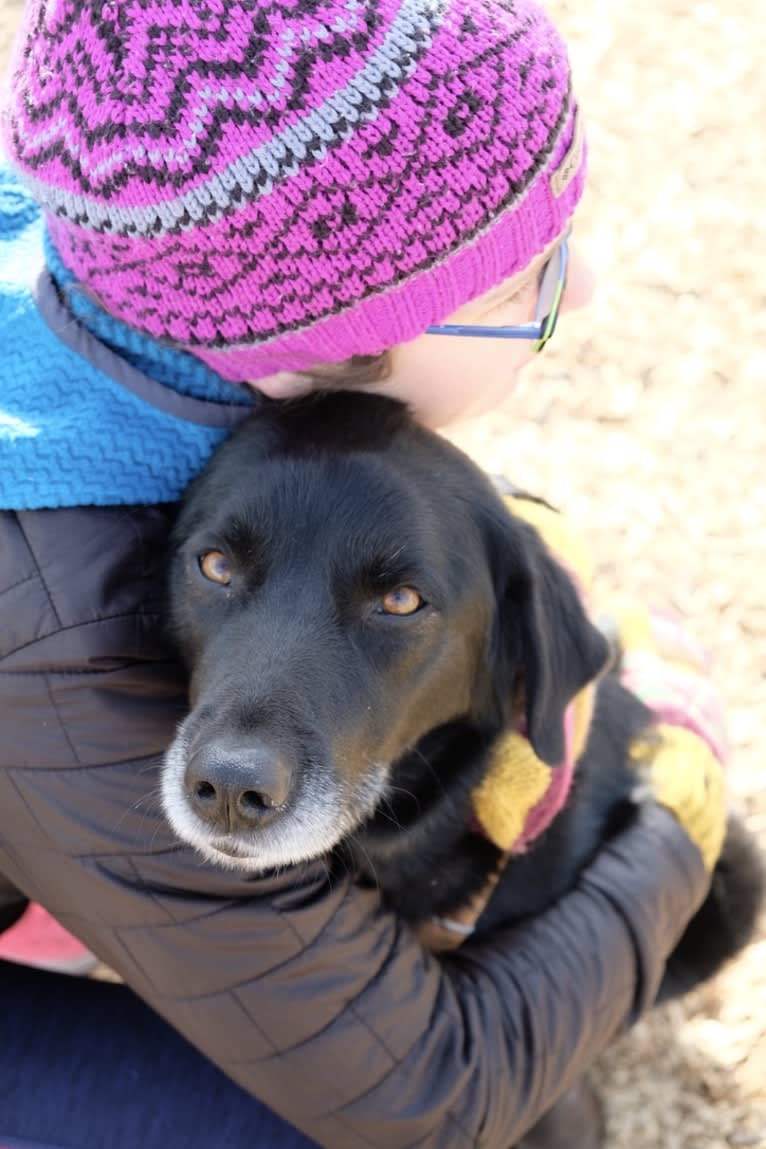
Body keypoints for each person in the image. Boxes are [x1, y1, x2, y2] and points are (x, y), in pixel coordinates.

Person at [0, 0, 726, 1147]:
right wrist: (674, 847)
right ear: (325, 347)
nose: (579, 288)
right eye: (519, 284)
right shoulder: (57, 625)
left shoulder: (114, 289)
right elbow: (425, 1099)